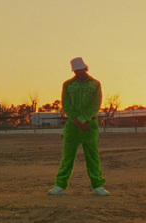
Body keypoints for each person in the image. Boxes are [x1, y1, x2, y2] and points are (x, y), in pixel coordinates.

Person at [48, 57, 109, 196]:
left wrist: (84, 119)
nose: (78, 72)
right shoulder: (68, 85)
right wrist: (76, 120)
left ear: (85, 68)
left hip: (90, 125)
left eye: (80, 69)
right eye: (75, 70)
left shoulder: (95, 84)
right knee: (67, 156)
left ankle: (97, 185)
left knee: (93, 156)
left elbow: (96, 104)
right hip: (72, 125)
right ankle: (60, 185)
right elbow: (66, 104)